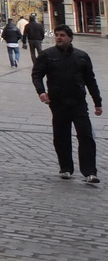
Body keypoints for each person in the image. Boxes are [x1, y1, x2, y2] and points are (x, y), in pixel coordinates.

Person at [31, 24, 102, 183]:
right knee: (61, 136)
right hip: (58, 102)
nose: (59, 37)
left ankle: (90, 172)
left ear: (70, 37)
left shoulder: (81, 56)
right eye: (57, 35)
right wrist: (41, 92)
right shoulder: (47, 55)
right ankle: (66, 168)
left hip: (78, 102)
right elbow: (37, 74)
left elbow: (90, 80)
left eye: (62, 35)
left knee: (85, 135)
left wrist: (97, 102)